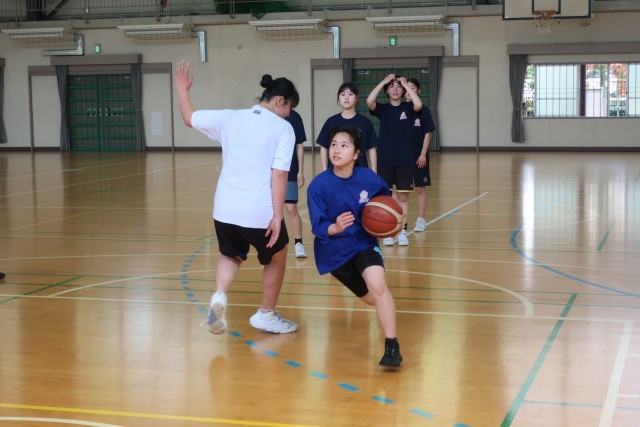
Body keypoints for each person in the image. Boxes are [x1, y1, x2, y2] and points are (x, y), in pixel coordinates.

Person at [175, 60, 299, 335]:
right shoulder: (283, 129)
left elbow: (189, 118)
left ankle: (219, 297)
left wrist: (182, 89)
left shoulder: (229, 117)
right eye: (290, 107)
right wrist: (277, 216)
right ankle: (266, 314)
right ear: (280, 100)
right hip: (259, 211)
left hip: (224, 210)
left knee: (230, 255)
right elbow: (280, 175)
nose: (290, 113)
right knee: (277, 256)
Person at [307, 125, 402, 367]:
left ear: (356, 153)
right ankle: (386, 307)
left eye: (344, 145)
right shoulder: (318, 186)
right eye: (333, 145)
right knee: (372, 298)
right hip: (335, 253)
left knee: (378, 286)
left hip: (362, 242)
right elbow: (317, 226)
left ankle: (392, 346)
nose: (336, 150)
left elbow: (386, 200)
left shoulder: (368, 178)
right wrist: (336, 227)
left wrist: (395, 222)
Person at [366, 74, 422, 246]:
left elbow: (419, 104)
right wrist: (383, 82)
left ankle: (402, 230)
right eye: (391, 86)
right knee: (387, 197)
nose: (395, 89)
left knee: (403, 198)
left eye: (398, 86)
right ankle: (388, 233)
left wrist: (405, 84)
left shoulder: (408, 108)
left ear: (403, 90)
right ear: (387, 91)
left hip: (405, 160)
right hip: (385, 160)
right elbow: (369, 101)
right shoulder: (383, 109)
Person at [315, 83, 378, 172]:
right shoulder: (331, 122)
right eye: (343, 94)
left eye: (350, 94)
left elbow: (371, 148)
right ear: (339, 99)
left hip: (360, 172)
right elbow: (324, 147)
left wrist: (374, 171)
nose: (346, 98)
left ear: (356, 98)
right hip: (334, 172)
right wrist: (324, 170)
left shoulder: (365, 122)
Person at [405, 78, 436, 232]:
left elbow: (427, 133)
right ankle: (401, 222)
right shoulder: (401, 109)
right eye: (406, 87)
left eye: (412, 88)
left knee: (419, 189)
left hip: (419, 157)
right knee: (402, 191)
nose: (409, 91)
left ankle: (421, 220)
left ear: (418, 91)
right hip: (403, 157)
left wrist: (423, 154)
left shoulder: (423, 110)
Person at [284, 109, 308, 258]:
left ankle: (298, 243)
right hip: (268, 170)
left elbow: (299, 145)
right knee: (269, 209)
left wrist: (300, 171)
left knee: (291, 208)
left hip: (290, 168)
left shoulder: (295, 117)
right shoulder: (268, 115)